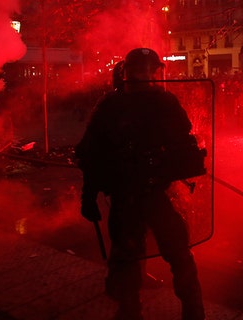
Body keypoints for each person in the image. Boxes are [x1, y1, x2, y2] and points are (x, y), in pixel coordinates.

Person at [75, 48, 205, 320]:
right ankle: (129, 310)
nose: (145, 76)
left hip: (156, 192)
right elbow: (91, 153)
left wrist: (184, 161)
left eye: (149, 70)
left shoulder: (165, 102)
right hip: (125, 196)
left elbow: (183, 139)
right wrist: (88, 196)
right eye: (140, 70)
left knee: (179, 253)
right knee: (127, 260)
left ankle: (193, 311)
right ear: (127, 73)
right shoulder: (110, 105)